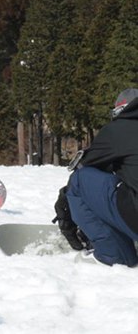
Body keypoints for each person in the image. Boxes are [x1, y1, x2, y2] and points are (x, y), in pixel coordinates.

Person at [56, 87, 138, 266]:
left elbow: (84, 168)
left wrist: (64, 209)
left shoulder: (121, 129)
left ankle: (114, 254)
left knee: (81, 180)